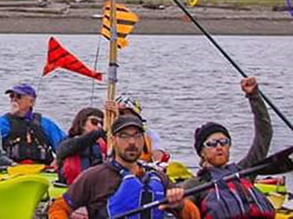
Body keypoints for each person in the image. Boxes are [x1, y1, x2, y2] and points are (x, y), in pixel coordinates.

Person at [48, 114, 197, 219]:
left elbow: (193, 215)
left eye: (137, 136)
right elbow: (59, 208)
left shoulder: (158, 177)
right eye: (124, 136)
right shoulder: (94, 176)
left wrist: (180, 206)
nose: (132, 142)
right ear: (113, 140)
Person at [178, 77, 274, 219]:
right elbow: (183, 211)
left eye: (224, 142)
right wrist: (177, 203)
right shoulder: (194, 185)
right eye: (211, 144)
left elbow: (264, 134)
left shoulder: (245, 171)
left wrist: (254, 96)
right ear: (201, 153)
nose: (219, 147)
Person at [0, 83, 65, 165]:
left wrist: (58, 160)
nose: (14, 99)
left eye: (19, 97)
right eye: (11, 96)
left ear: (31, 102)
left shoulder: (45, 124)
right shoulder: (1, 122)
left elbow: (64, 145)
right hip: (11, 170)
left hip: (42, 170)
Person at [56, 107, 106, 186]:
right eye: (94, 122)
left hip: (95, 185)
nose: (99, 126)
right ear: (82, 124)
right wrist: (98, 133)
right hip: (71, 186)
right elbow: (74, 146)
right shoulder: (68, 142)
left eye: (101, 124)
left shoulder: (102, 143)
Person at [114, 94, 169, 164]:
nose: (124, 117)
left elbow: (157, 154)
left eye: (128, 114)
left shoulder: (148, 134)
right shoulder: (107, 133)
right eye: (121, 114)